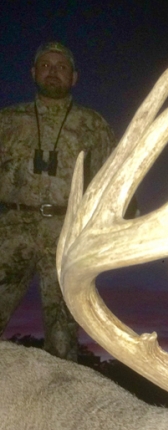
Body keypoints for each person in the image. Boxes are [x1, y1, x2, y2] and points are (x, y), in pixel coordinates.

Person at [0, 42, 116, 361]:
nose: (53, 71)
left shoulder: (93, 125)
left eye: (61, 66)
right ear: (33, 72)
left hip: (67, 235)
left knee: (63, 332)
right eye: (46, 65)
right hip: (9, 231)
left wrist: (112, 231)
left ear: (74, 77)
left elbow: (115, 180)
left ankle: (61, 390)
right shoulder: (7, 121)